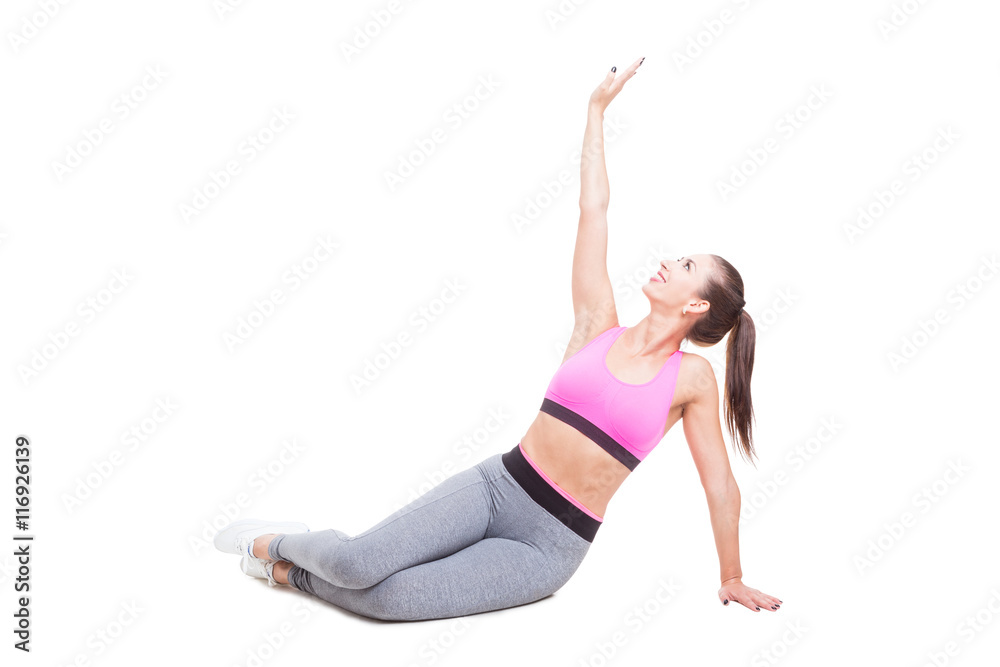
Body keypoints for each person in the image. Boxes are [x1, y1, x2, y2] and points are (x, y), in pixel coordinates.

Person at [214, 56, 782, 621]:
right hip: (497, 487)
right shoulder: (597, 322)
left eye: (684, 265)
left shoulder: (691, 379)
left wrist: (731, 576)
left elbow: (721, 485)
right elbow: (594, 210)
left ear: (697, 304)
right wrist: (595, 112)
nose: (667, 261)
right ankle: (275, 544)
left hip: (549, 544)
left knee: (391, 600)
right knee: (360, 564)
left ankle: (287, 574)